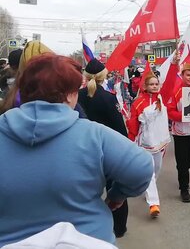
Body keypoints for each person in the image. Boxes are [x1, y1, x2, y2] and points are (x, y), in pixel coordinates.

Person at [0, 54, 153, 246]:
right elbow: (142, 166)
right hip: (88, 239)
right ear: (70, 94)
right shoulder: (93, 134)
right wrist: (116, 196)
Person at [78, 58, 131, 237]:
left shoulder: (77, 96)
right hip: (107, 152)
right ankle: (119, 228)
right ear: (103, 76)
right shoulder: (108, 98)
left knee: (84, 192)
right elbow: (119, 128)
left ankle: (85, 229)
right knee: (115, 190)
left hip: (83, 151)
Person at [126, 70, 171, 216]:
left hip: (161, 140)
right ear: (145, 86)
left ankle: (149, 187)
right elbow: (133, 122)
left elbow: (171, 82)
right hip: (146, 141)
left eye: (156, 84)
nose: (154, 86)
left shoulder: (163, 98)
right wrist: (131, 138)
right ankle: (153, 204)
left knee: (157, 168)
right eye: (151, 84)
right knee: (149, 171)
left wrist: (175, 65)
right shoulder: (138, 102)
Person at [167, 59, 190, 203]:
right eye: (188, 75)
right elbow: (170, 112)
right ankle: (184, 189)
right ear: (182, 75)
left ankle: (183, 172)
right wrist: (184, 116)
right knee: (182, 161)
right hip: (180, 131)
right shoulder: (176, 91)